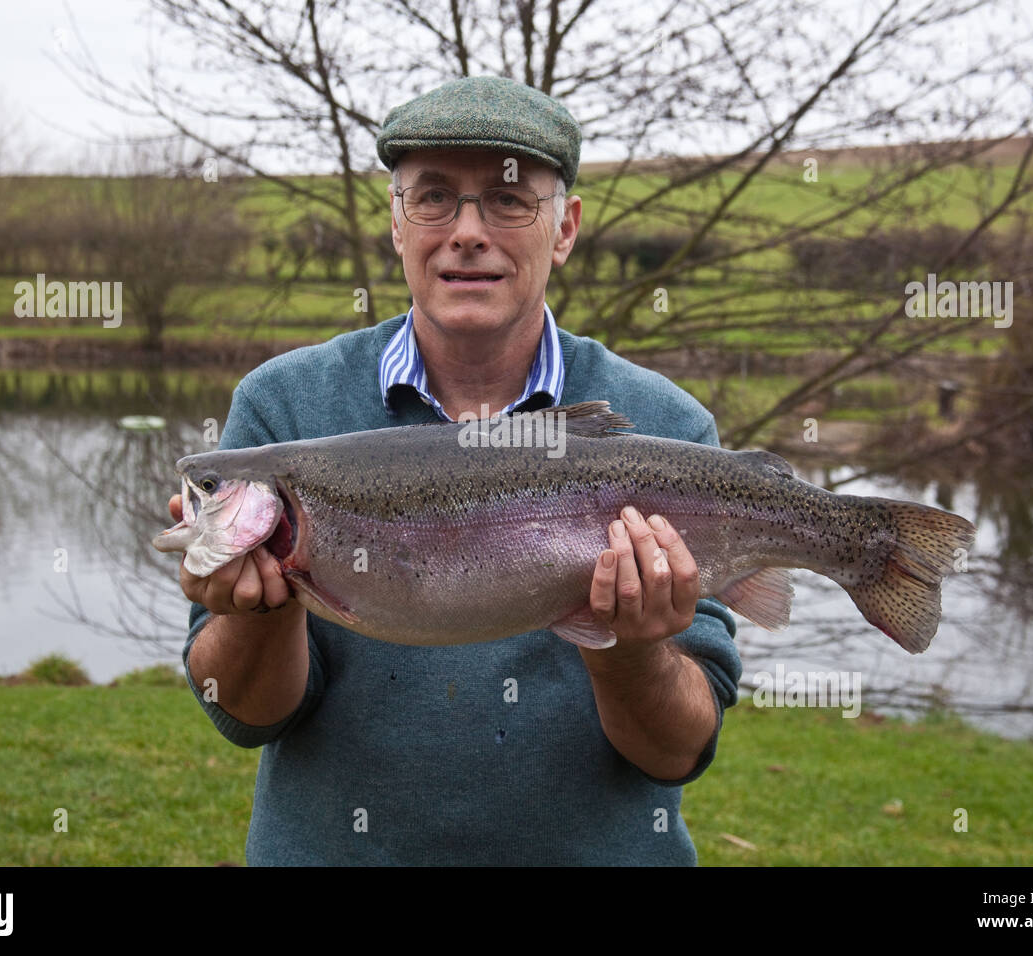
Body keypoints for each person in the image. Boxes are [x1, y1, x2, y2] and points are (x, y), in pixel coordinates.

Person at [172, 75, 742, 865]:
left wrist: (632, 644)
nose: (467, 232)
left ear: (567, 228)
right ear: (397, 224)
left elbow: (679, 752)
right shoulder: (283, 405)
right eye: (434, 198)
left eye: (509, 202)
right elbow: (244, 716)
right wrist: (258, 613)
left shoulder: (667, 429)